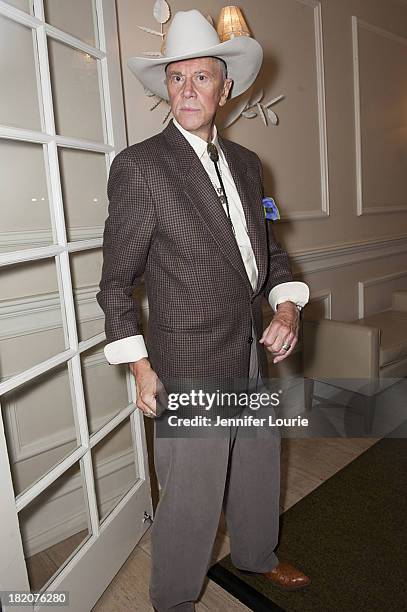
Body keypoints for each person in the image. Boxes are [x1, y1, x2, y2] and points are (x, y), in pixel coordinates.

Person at [96, 9, 311, 611]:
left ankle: (256, 556)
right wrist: (141, 367)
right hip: (188, 355)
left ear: (226, 86)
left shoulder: (248, 167)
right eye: (176, 78)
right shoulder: (141, 167)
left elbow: (271, 256)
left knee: (256, 466)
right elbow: (115, 283)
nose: (187, 91)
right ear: (165, 88)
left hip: (248, 346)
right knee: (190, 494)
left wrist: (287, 309)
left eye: (202, 78)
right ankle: (173, 600)